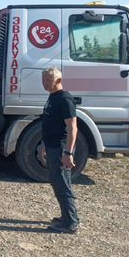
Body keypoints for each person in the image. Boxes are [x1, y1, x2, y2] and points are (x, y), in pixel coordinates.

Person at [41, 66, 79, 234]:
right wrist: (44, 144)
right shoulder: (52, 97)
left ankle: (71, 223)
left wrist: (68, 153)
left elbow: (72, 128)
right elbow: (49, 124)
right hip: (51, 147)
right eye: (43, 80)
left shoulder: (65, 99)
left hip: (60, 149)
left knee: (63, 185)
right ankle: (66, 217)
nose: (45, 83)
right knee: (58, 183)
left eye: (48, 80)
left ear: (59, 80)